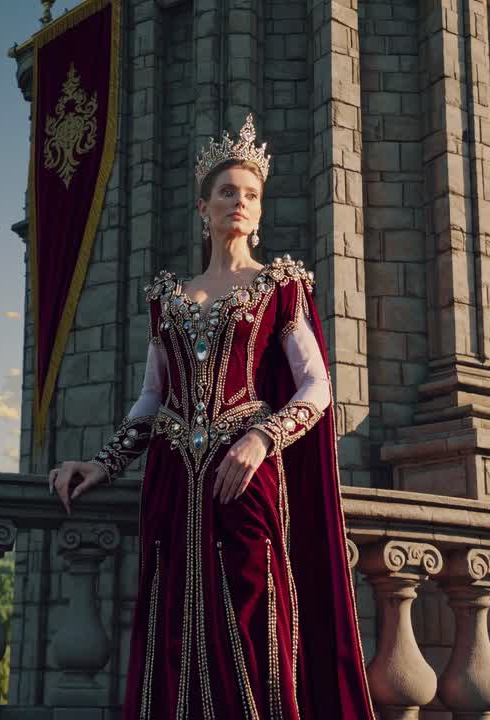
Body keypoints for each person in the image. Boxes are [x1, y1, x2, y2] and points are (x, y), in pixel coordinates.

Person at [48, 114, 377, 719]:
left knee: (255, 621)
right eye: (228, 192)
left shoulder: (280, 285)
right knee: (173, 626)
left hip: (244, 480)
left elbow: (317, 387)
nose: (240, 203)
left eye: (251, 195)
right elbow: (152, 398)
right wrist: (103, 463)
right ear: (204, 206)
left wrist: (262, 436)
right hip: (174, 486)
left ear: (260, 210)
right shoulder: (169, 297)